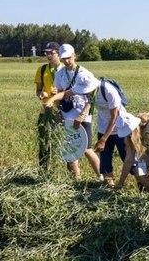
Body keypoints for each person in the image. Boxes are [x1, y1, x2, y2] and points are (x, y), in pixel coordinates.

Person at [44, 44, 101, 179]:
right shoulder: (59, 74)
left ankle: (102, 177)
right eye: (64, 59)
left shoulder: (84, 74)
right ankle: (76, 180)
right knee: (70, 149)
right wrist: (58, 112)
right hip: (67, 114)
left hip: (83, 114)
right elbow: (59, 94)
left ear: (74, 55)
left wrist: (82, 115)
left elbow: (91, 98)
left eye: (69, 58)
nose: (67, 61)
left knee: (87, 149)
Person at [95, 77, 131, 186]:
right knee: (105, 161)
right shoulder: (87, 92)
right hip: (103, 129)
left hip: (120, 129)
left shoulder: (108, 91)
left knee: (128, 158)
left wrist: (103, 139)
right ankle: (109, 187)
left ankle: (142, 183)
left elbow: (114, 118)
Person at [34, 42, 62, 168]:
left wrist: (60, 92)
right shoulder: (42, 69)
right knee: (44, 141)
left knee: (61, 141)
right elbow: (38, 91)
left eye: (51, 53)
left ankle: (61, 168)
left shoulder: (65, 69)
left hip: (61, 111)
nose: (48, 55)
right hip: (46, 110)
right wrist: (42, 93)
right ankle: (43, 169)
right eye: (46, 53)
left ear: (59, 53)